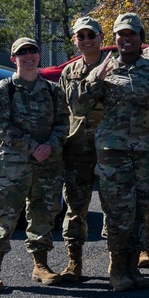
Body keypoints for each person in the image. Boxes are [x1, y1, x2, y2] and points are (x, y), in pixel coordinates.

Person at [76, 13, 149, 291]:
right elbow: (79, 108)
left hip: (145, 151)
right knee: (118, 212)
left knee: (141, 210)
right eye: (121, 34)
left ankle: (133, 267)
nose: (126, 39)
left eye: (132, 34)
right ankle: (117, 270)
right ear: (114, 39)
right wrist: (95, 80)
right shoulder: (103, 68)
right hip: (112, 151)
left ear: (141, 37)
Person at [0, 38, 69, 293]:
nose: (28, 56)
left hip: (47, 165)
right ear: (14, 59)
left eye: (32, 51)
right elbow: (2, 128)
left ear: (39, 56)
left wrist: (50, 146)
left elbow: (64, 124)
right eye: (22, 53)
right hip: (11, 166)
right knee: (3, 218)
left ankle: (40, 265)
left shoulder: (53, 91)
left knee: (44, 215)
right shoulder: (3, 90)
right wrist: (34, 147)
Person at [57, 17, 105, 282]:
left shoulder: (114, 67)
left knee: (114, 209)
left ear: (101, 37)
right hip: (77, 148)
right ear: (75, 40)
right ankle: (74, 262)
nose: (86, 40)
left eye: (91, 35)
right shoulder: (69, 72)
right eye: (81, 36)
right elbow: (64, 110)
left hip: (110, 148)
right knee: (76, 207)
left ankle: (116, 262)